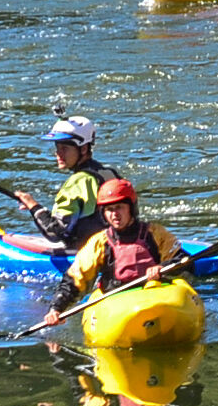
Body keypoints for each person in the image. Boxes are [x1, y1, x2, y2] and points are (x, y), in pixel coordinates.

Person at [40, 179, 182, 329]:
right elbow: (75, 280)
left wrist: (163, 267)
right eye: (109, 209)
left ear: (131, 208)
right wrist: (56, 308)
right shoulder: (99, 242)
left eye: (119, 207)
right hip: (117, 302)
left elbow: (181, 261)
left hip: (157, 295)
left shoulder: (156, 234)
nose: (115, 214)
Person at [10, 116, 126, 250]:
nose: (58, 153)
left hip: (88, 255)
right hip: (116, 247)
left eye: (64, 148)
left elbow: (54, 232)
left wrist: (32, 205)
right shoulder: (109, 173)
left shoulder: (77, 182)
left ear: (83, 149)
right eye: (57, 147)